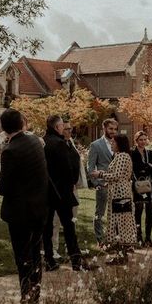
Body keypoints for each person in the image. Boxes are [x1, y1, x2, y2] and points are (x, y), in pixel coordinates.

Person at [0, 108, 48, 304]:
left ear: (3, 128)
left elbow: (3, 187)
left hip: (20, 213)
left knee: (23, 257)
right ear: (22, 123)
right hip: (39, 208)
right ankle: (35, 294)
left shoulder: (10, 151)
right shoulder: (35, 141)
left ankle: (26, 294)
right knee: (36, 254)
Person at [42, 115, 90, 271]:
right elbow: (66, 168)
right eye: (62, 125)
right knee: (69, 227)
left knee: (47, 227)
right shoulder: (60, 144)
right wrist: (71, 184)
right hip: (62, 191)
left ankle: (49, 259)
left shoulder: (43, 142)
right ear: (57, 127)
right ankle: (75, 260)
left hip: (47, 190)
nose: (64, 128)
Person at [91, 134, 137, 264]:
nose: (111, 144)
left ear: (119, 144)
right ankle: (120, 255)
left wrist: (99, 173)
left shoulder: (123, 156)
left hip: (120, 195)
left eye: (113, 142)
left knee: (120, 224)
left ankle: (121, 256)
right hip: (118, 192)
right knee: (119, 223)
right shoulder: (120, 156)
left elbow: (118, 175)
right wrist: (107, 183)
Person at [51, 121, 87, 259]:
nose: (69, 132)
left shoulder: (70, 142)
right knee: (55, 221)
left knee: (72, 220)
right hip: (59, 189)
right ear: (59, 129)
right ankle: (53, 248)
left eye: (70, 129)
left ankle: (71, 248)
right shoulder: (56, 144)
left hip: (72, 188)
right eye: (66, 129)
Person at [87, 118, 118, 245]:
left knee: (116, 214)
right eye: (110, 129)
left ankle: (115, 239)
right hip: (103, 186)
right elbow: (90, 168)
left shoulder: (118, 143)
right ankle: (100, 240)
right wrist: (97, 184)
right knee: (99, 214)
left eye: (115, 129)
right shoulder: (95, 145)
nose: (113, 132)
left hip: (117, 186)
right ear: (104, 128)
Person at [130, 130, 152, 247]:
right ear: (136, 140)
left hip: (151, 185)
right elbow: (135, 168)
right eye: (140, 140)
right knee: (138, 211)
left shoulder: (150, 153)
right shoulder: (132, 153)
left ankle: (148, 237)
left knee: (150, 211)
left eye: (144, 139)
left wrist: (145, 167)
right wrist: (148, 166)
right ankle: (138, 237)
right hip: (138, 185)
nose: (143, 142)